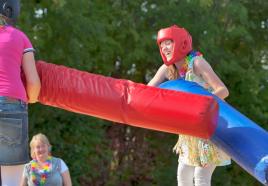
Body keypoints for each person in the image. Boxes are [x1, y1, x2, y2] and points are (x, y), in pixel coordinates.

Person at [148, 25, 231, 186]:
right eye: (162, 44)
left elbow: (223, 90)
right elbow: (147, 91)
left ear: (181, 43)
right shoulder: (167, 68)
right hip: (190, 128)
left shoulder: (197, 63)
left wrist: (200, 106)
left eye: (169, 42)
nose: (164, 47)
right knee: (183, 174)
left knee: (201, 176)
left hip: (210, 126)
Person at [0, 1, 41, 185]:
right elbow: (33, 82)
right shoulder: (20, 37)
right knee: (12, 177)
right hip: (12, 103)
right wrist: (30, 98)